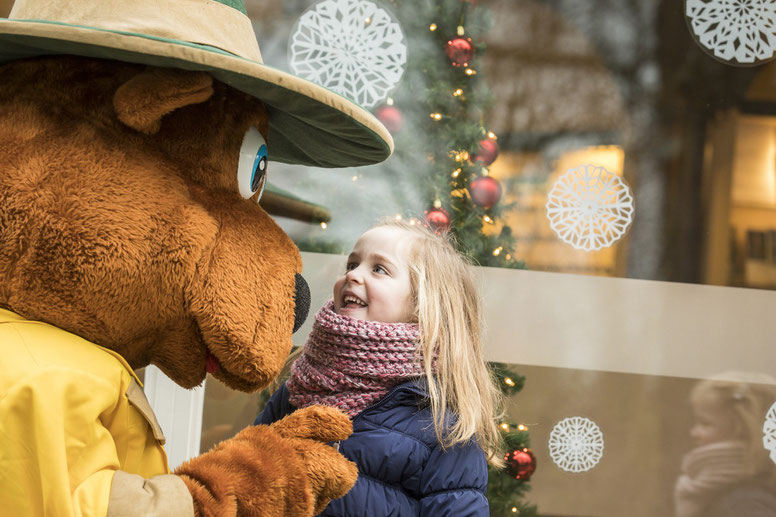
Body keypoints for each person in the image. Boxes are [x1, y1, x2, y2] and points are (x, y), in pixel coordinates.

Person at [255, 220, 503, 516]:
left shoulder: (441, 427)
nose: (352, 275)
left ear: (423, 306)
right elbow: (246, 472)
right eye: (352, 263)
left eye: (379, 269)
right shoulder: (301, 387)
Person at [674, 373, 776, 517]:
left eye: (705, 423)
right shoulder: (738, 495)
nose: (693, 433)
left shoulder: (744, 503)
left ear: (742, 431)